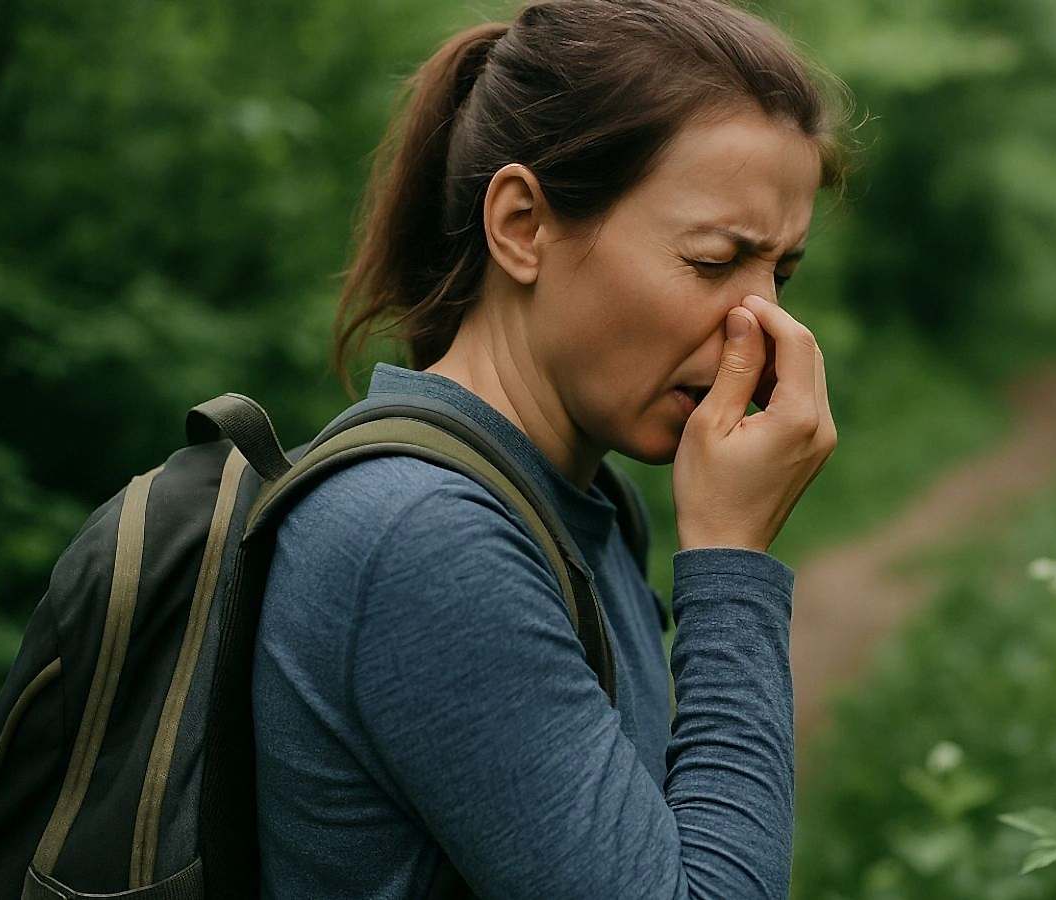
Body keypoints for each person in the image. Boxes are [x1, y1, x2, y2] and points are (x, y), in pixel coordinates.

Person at [250, 1, 854, 896]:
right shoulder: (423, 537)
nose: (763, 330)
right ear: (523, 225)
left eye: (782, 275)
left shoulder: (584, 500)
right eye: (714, 260)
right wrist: (730, 560)